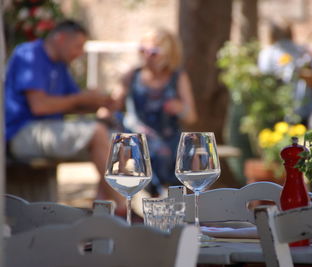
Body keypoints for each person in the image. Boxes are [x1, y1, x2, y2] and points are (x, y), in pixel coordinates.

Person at [4, 20, 125, 214]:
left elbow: (75, 103)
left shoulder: (61, 66)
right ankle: (123, 207)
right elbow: (40, 106)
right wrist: (80, 98)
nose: (80, 53)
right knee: (97, 132)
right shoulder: (29, 54)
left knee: (118, 142)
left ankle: (101, 212)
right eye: (78, 46)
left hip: (48, 130)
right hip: (21, 133)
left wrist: (102, 101)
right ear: (60, 38)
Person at [112, 27, 197, 195]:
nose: (146, 56)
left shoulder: (177, 77)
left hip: (168, 137)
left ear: (168, 54)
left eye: (153, 52)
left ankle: (185, 204)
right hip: (138, 137)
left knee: (187, 151)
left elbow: (192, 117)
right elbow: (112, 104)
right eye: (142, 50)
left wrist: (180, 108)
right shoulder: (132, 75)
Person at [258, 19, 312, 125]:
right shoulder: (302, 50)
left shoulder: (267, 53)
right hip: (304, 103)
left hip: (276, 106)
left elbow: (264, 76)